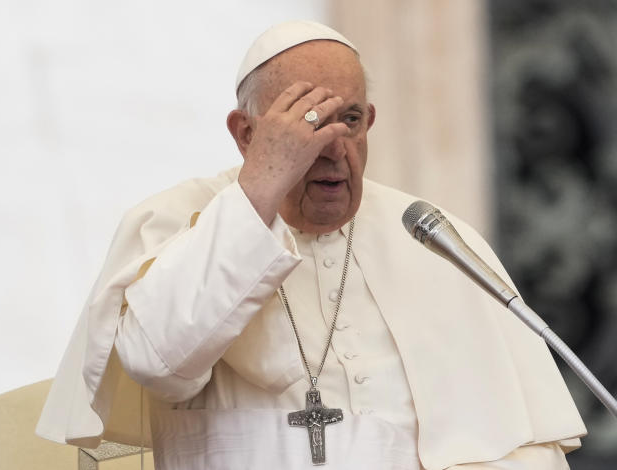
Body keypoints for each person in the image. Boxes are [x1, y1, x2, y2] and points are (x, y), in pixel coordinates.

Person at [37, 20, 586, 469]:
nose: (332, 145)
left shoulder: (432, 236)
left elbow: (521, 446)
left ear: (369, 122)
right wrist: (259, 190)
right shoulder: (175, 219)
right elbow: (155, 360)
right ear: (246, 133)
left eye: (349, 120)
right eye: (304, 123)